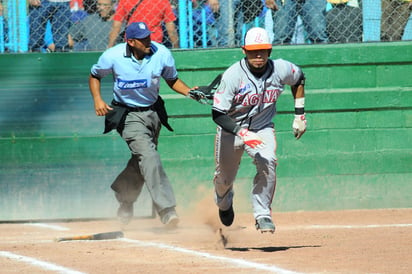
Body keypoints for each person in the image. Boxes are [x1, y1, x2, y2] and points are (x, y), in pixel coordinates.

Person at [88, 22, 199, 227]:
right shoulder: (112, 56)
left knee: (143, 161)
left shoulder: (161, 53)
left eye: (149, 36)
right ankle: (167, 210)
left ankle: (125, 197)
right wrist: (97, 99)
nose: (149, 41)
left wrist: (190, 92)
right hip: (127, 114)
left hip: (153, 112)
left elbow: (172, 79)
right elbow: (95, 75)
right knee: (149, 156)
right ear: (130, 41)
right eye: (143, 39)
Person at [211, 27, 307, 233]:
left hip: (262, 127)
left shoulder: (281, 68)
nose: (258, 55)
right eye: (253, 50)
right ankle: (224, 201)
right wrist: (243, 133)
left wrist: (300, 115)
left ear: (269, 51)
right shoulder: (233, 75)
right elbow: (218, 114)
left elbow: (299, 78)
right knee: (224, 179)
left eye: (262, 50)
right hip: (231, 129)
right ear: (244, 51)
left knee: (268, 162)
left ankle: (262, 213)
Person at [107, 0, 179, 48]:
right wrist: (176, 47)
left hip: (132, 42)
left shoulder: (125, 1)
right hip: (153, 42)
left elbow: (116, 27)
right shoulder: (162, 1)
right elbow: (171, 29)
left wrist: (109, 47)